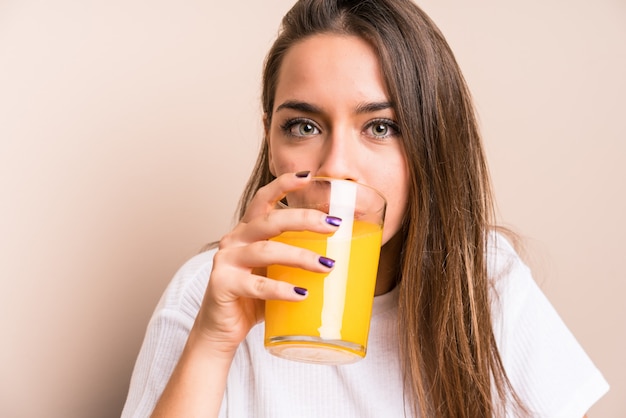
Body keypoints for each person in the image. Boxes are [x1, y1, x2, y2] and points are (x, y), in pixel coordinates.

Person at [121, 0, 609, 417]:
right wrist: (213, 344)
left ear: (430, 144)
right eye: (303, 127)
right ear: (270, 139)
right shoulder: (206, 293)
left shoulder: (484, 281)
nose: (336, 168)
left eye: (380, 128)